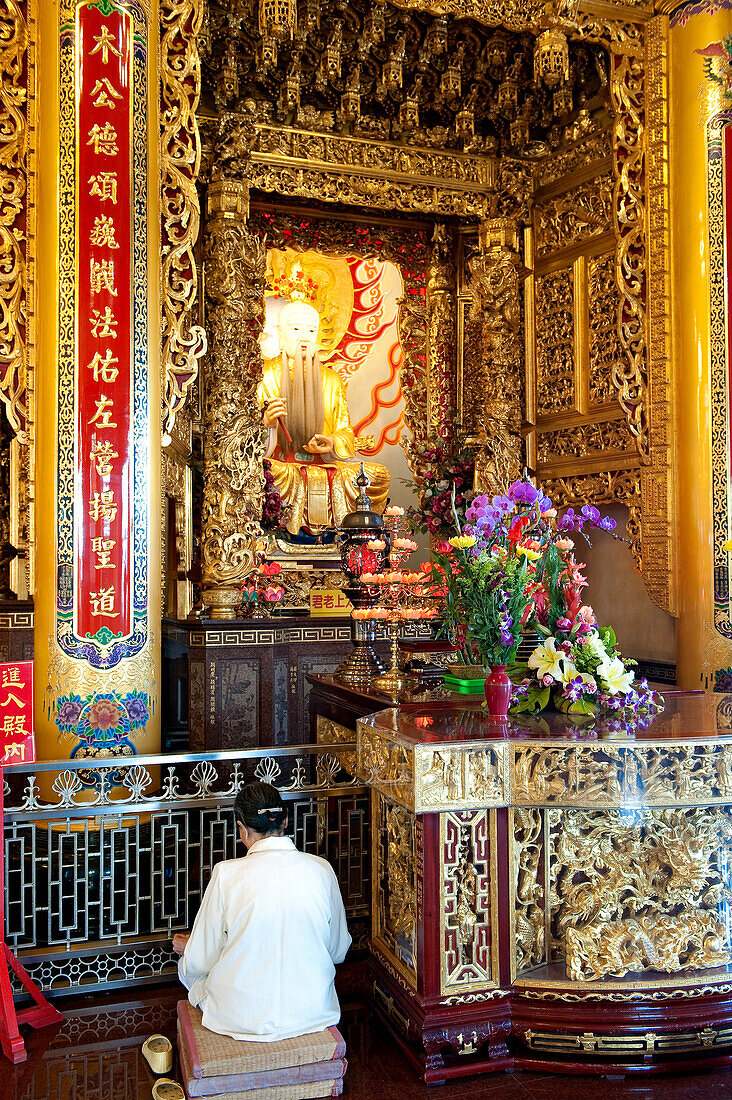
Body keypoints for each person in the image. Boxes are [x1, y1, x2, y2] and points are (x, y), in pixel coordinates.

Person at [172, 781, 351, 1041]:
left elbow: (201, 961)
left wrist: (189, 946)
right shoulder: (321, 869)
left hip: (240, 1016)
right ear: (286, 821)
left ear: (242, 829)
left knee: (186, 965)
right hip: (312, 1010)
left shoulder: (226, 874)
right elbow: (337, 951)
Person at [257, 299, 389, 536]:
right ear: (280, 331)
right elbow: (248, 444)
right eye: (296, 329)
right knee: (260, 472)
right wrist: (269, 425)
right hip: (281, 466)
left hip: (324, 463)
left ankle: (337, 535)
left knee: (377, 474)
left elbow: (344, 430)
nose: (304, 337)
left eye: (311, 330)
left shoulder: (331, 380)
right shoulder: (265, 376)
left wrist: (332, 442)